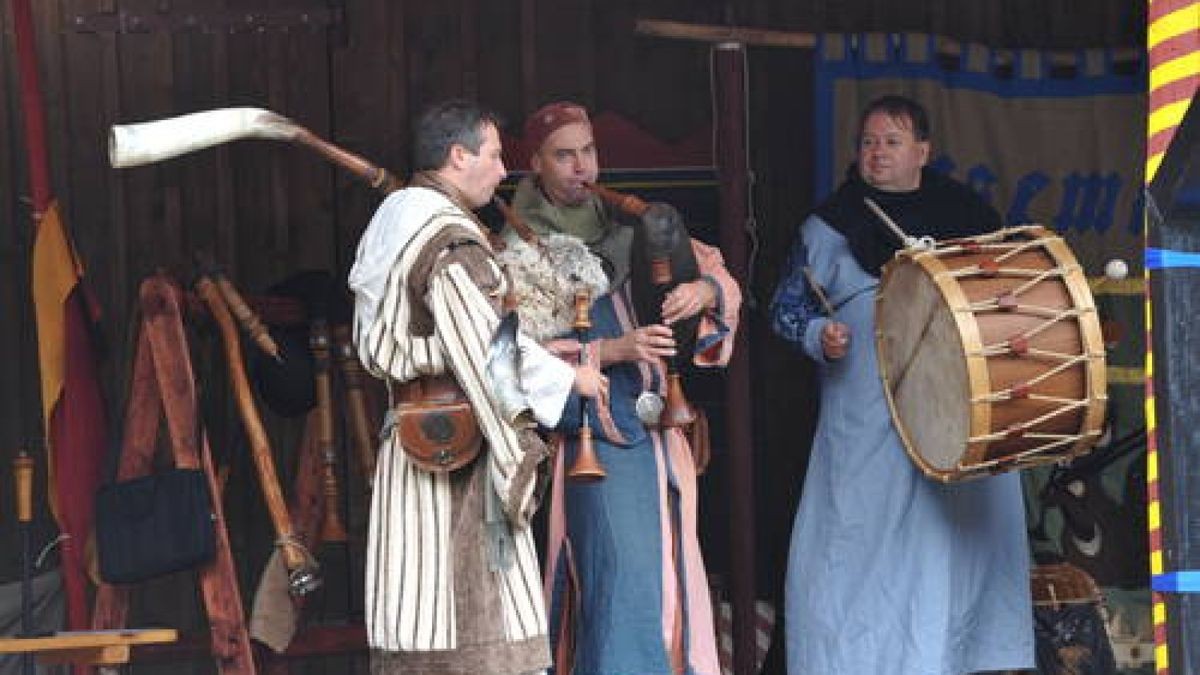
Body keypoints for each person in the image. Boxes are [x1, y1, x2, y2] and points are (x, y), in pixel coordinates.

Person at [769, 94, 1035, 674]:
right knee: (861, 539)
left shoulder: (971, 217)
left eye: (891, 141)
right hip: (867, 414)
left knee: (952, 542)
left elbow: (1015, 302)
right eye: (867, 142)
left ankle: (958, 660)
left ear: (922, 150)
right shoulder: (830, 224)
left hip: (960, 412)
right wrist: (818, 335)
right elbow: (784, 309)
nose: (877, 153)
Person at [348, 99, 606, 675]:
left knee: (418, 621)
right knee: (473, 633)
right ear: (458, 156)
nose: (501, 170)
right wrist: (573, 378)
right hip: (455, 460)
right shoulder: (449, 239)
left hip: (411, 445)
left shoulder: (394, 220)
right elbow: (491, 355)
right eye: (492, 155)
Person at [506, 101, 741, 675]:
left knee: (671, 583)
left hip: (662, 440)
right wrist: (613, 350)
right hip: (594, 445)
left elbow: (716, 271)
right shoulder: (513, 250)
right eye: (564, 155)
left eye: (588, 152)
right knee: (621, 587)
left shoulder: (626, 232)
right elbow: (512, 357)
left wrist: (704, 291)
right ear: (535, 163)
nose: (581, 167)